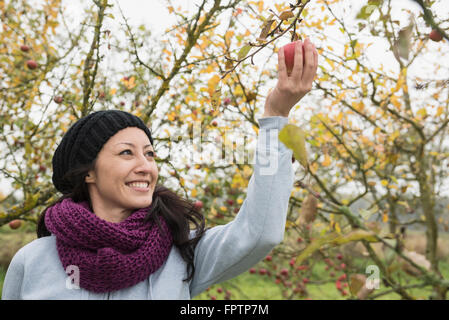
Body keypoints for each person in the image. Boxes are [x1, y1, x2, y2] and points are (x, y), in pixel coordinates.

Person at [2, 38, 318, 299]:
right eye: (127, 153)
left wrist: (276, 115)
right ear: (88, 172)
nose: (145, 167)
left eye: (150, 154)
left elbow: (259, 232)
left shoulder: (182, 250)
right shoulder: (33, 260)